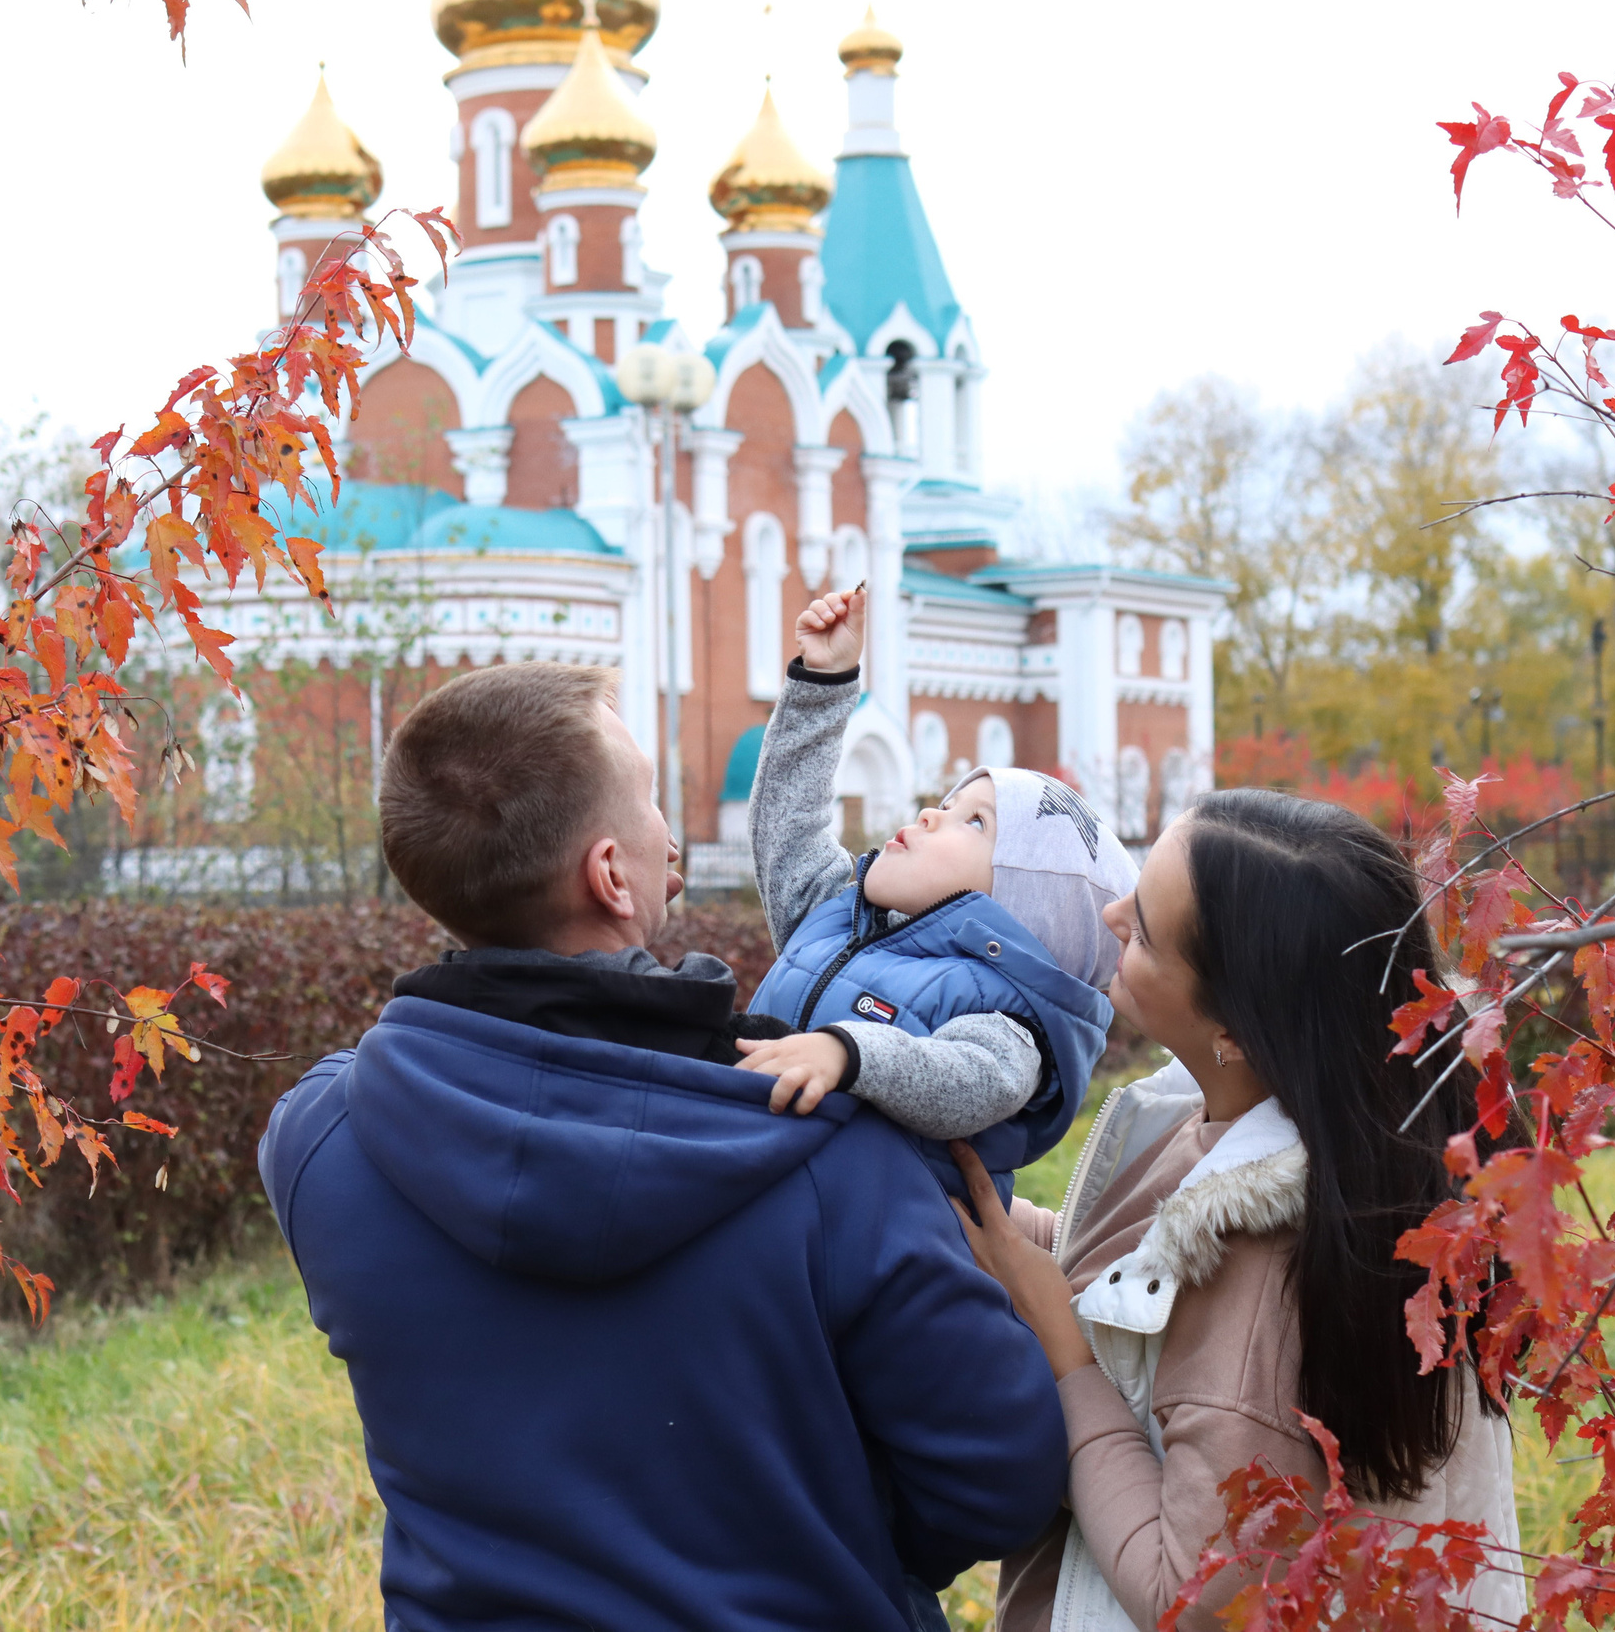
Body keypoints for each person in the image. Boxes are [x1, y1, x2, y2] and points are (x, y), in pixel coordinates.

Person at [257, 662, 1067, 1632]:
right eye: (648, 799)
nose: (669, 834)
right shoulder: (835, 1160)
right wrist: (844, 1535)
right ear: (609, 873)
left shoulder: (320, 1141)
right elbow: (1000, 1479)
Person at [948, 789, 1524, 1631]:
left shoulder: (1269, 1279)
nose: (1110, 913)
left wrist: (1064, 1354)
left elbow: (1188, 1595)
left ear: (1237, 1029)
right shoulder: (1324, 1122)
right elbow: (1137, 1271)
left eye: (1145, 928)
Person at [735, 588, 1135, 1208]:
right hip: (765, 1212)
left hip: (886, 1266)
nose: (929, 814)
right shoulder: (839, 922)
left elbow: (972, 1082)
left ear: (1020, 909)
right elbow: (786, 828)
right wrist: (823, 682)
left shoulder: (1005, 1016)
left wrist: (849, 1053)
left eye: (973, 823)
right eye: (947, 803)